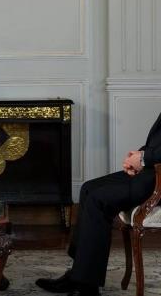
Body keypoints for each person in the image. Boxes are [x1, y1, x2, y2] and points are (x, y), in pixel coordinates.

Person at [35, 112, 161, 296]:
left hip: (157, 181)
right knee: (88, 188)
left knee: (98, 199)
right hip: (150, 172)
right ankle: (77, 274)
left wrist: (144, 158)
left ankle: (87, 287)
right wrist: (137, 157)